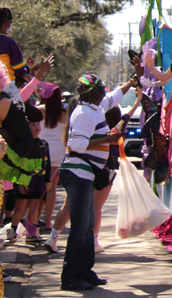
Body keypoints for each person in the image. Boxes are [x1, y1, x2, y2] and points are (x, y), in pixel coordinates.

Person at [57, 73, 137, 291]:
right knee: (80, 227)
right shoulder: (84, 113)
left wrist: (131, 82)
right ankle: (72, 276)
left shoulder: (95, 107)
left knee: (87, 226)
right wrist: (107, 139)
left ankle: (85, 271)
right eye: (101, 86)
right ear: (93, 92)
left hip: (86, 174)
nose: (104, 89)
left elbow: (114, 98)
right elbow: (76, 145)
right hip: (78, 173)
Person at [4, 108, 50, 244]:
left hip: (38, 181)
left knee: (34, 207)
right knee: (20, 207)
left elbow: (47, 164)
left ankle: (32, 233)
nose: (36, 127)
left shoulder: (43, 144)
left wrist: (47, 181)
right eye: (32, 124)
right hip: (24, 182)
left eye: (38, 124)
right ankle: (12, 232)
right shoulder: (21, 145)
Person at [37, 83, 65, 231]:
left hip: (41, 152)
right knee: (52, 188)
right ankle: (48, 222)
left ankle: (34, 219)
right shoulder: (64, 113)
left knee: (38, 186)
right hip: (57, 153)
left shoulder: (39, 111)